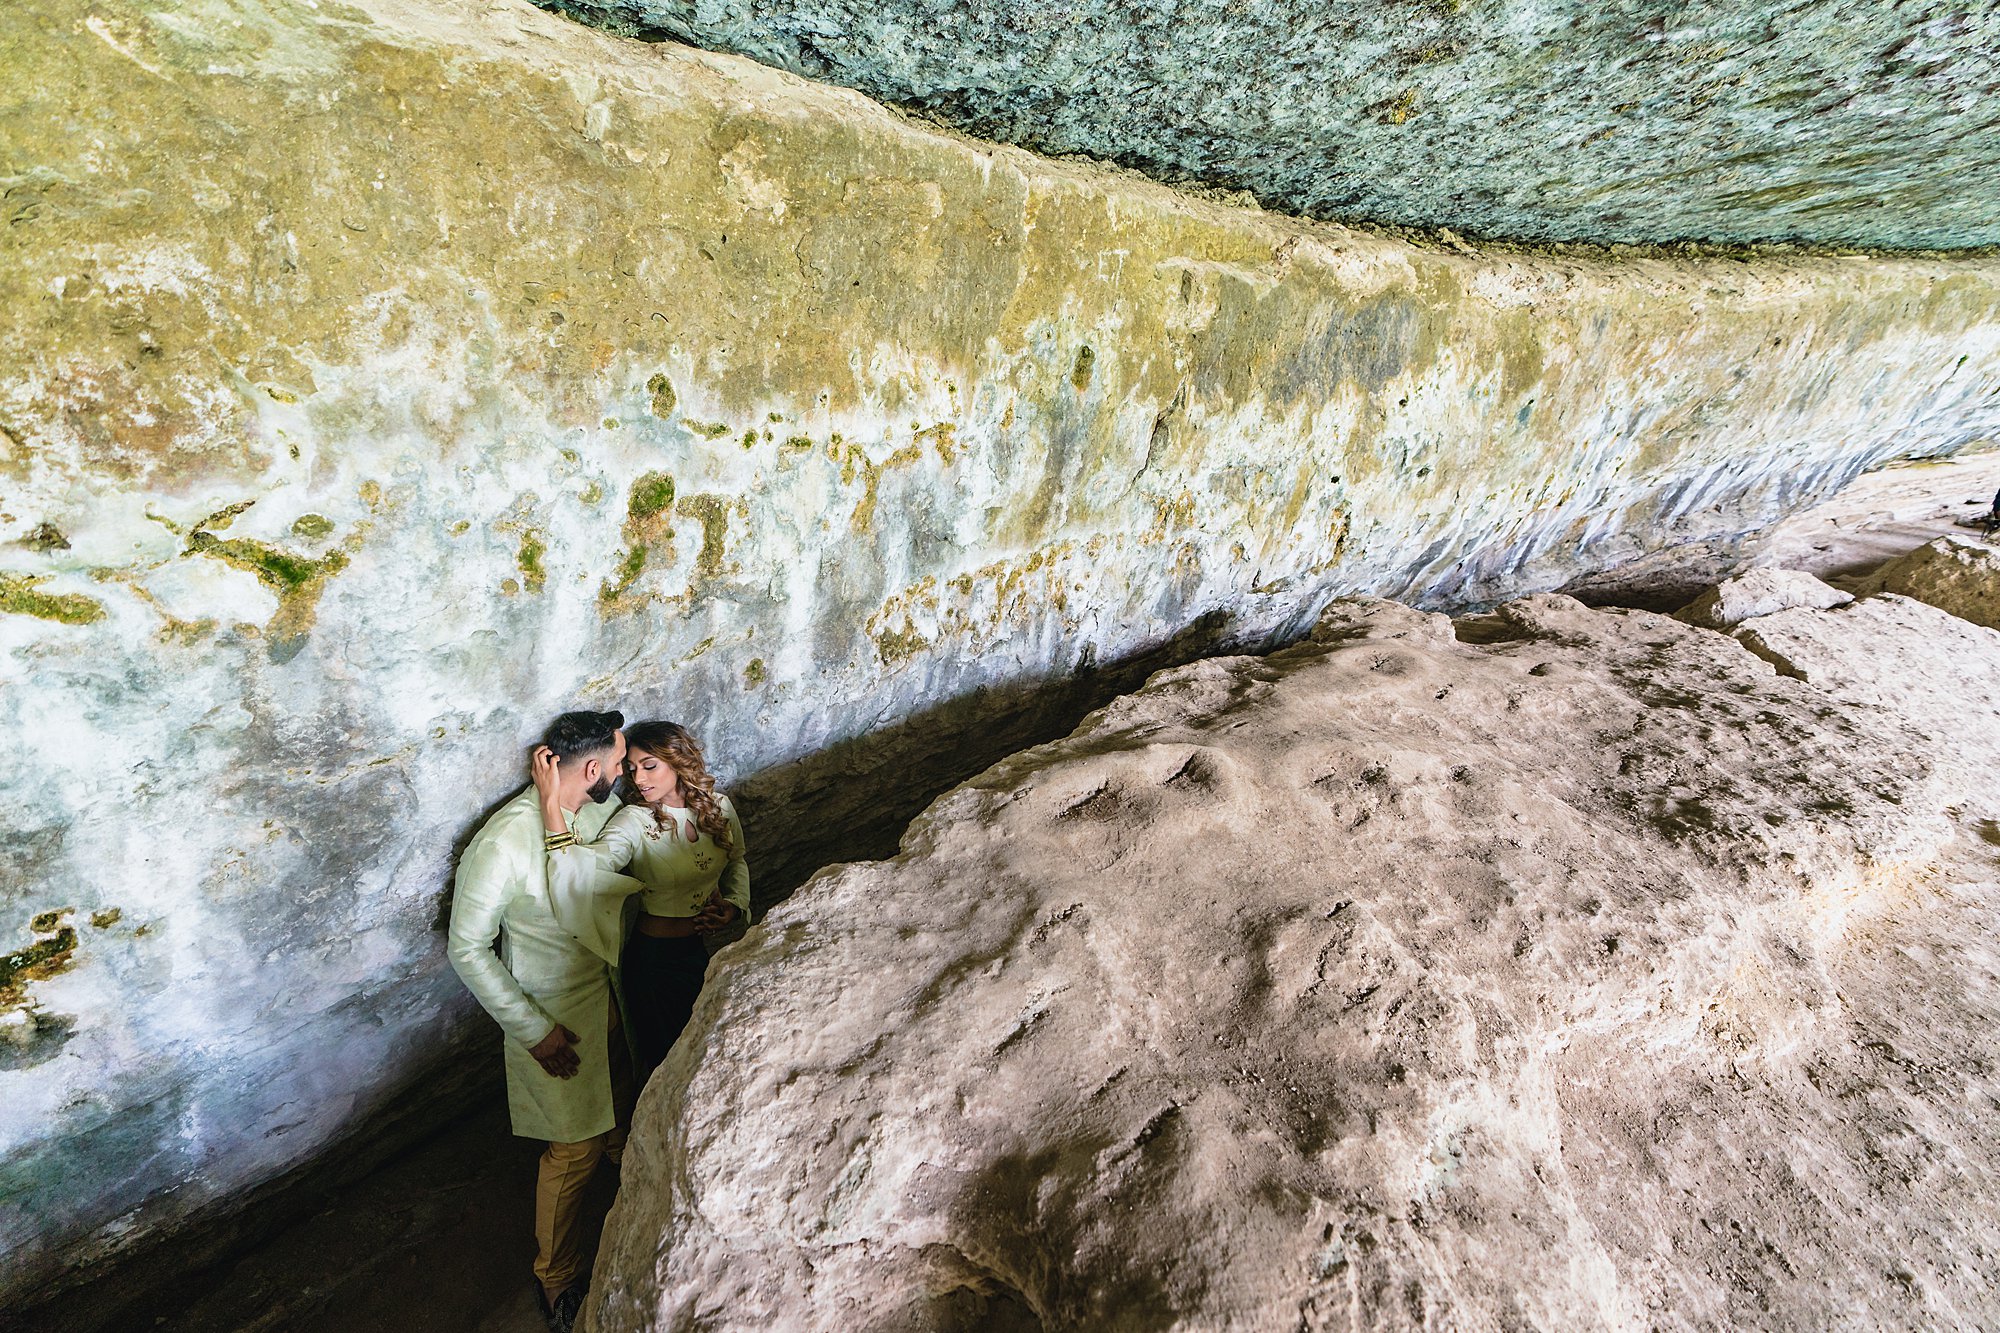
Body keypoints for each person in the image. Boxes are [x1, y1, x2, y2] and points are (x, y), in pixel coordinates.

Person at [447, 710, 642, 1333]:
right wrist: (533, 1032)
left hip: (606, 997)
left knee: (614, 1098)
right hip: (555, 1019)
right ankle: (555, 1274)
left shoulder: (594, 810)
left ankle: (622, 1152)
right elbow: (467, 948)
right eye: (617, 765)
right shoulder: (505, 841)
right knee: (573, 1148)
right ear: (590, 769)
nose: (624, 773)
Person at [535, 719, 750, 1084]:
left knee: (712, 1052)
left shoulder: (719, 807)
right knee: (671, 1067)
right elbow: (581, 870)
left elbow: (737, 860)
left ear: (679, 762)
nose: (639, 779)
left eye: (650, 766)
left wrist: (733, 906)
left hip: (699, 953)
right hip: (652, 965)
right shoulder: (634, 821)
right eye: (632, 769)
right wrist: (549, 801)